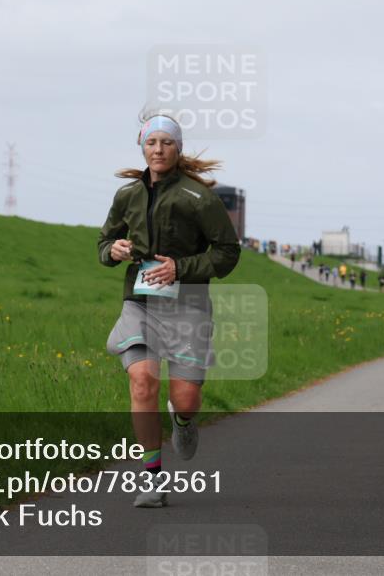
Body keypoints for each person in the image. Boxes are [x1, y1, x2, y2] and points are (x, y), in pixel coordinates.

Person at [99, 111, 241, 508]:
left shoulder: (199, 198)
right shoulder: (127, 195)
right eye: (151, 142)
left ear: (179, 148)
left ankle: (183, 421)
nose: (158, 149)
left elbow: (228, 253)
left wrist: (180, 267)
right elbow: (104, 240)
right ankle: (152, 479)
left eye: (167, 142)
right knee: (142, 381)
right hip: (140, 302)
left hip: (188, 305)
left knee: (185, 399)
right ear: (142, 148)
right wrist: (113, 250)